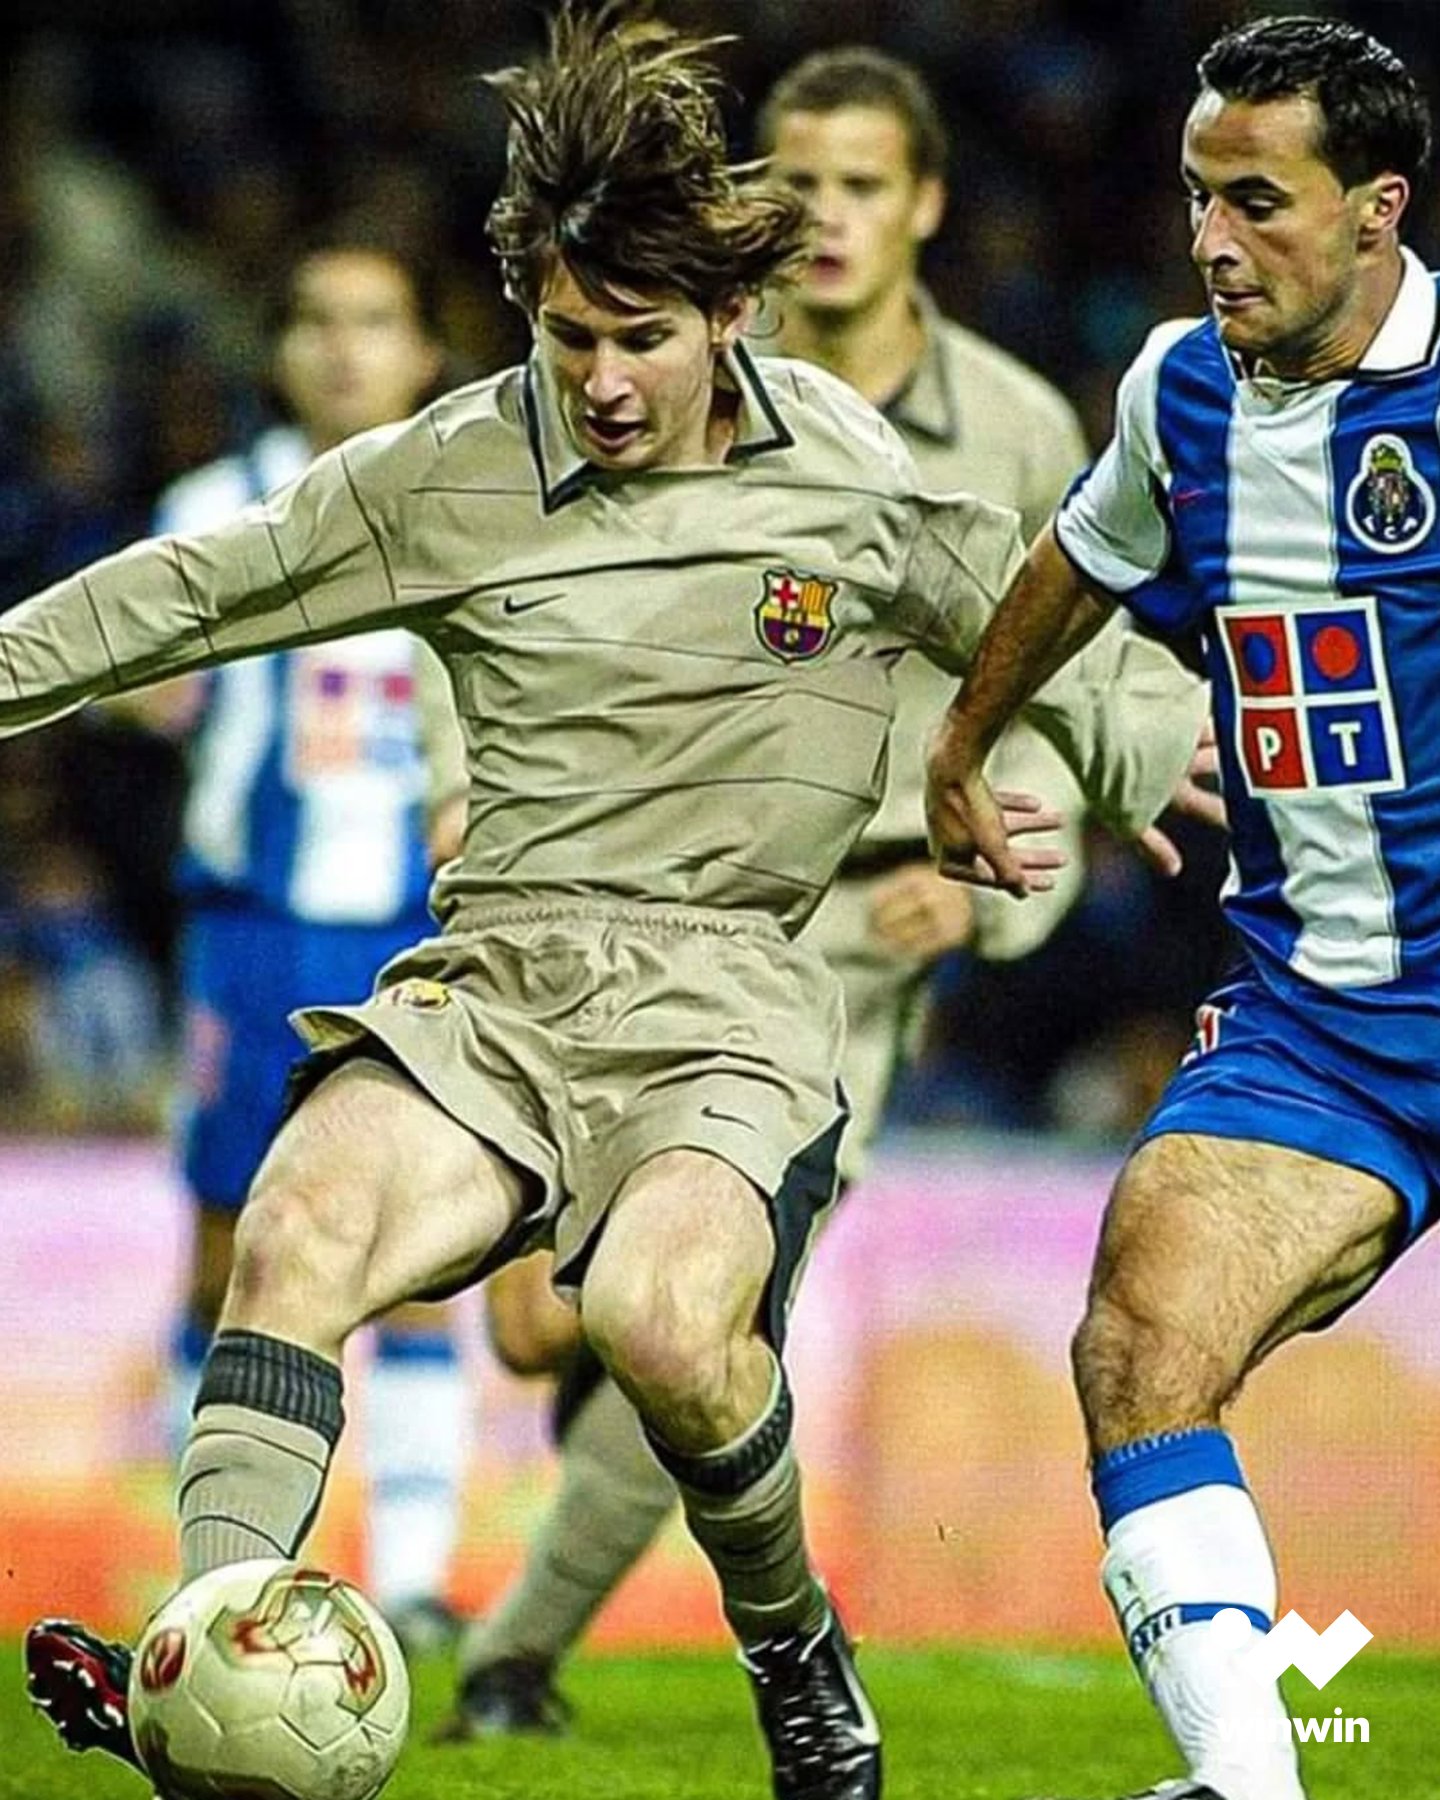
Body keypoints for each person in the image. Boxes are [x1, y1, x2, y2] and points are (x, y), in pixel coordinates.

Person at [17, 8, 1205, 1797]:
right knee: (297, 1224)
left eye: (642, 337)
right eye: (569, 336)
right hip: (496, 981)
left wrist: (1160, 744)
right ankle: (209, 1660)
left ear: (732, 315)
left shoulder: (843, 471)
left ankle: (796, 1652)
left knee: (661, 1321)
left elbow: (1015, 605)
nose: (603, 379)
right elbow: (194, 590)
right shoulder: (452, 470)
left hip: (729, 998)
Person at [440, 45, 1097, 1740]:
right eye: (796, 184)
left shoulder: (1017, 428)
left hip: (850, 940)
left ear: (926, 204)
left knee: (695, 1313)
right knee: (549, 1329)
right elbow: (516, 601)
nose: (827, 217)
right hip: (606, 897)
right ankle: (579, 1402)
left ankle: (510, 1657)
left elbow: (1064, 676)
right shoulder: (665, 364)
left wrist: (995, 898)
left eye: (863, 185)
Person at [926, 17, 1433, 1800]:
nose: (1213, 241)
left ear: (1376, 210)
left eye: (1257, 204)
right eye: (1197, 198)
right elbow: (1083, 553)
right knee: (1142, 1343)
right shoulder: (1181, 390)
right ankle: (1247, 1783)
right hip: (1325, 1025)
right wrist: (967, 739)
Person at [132, 238, 469, 1655]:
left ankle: (415, 1582)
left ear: (425, 351)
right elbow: (129, 669)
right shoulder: (211, 509)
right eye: (316, 320)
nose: (342, 347)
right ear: (277, 348)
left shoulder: (474, 506)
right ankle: (209, 1574)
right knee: (226, 1244)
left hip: (417, 935)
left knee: (422, 1254)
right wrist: (147, 692)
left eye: (374, 320)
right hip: (253, 929)